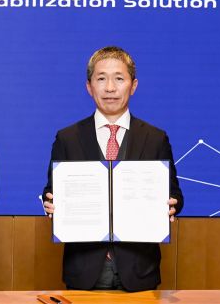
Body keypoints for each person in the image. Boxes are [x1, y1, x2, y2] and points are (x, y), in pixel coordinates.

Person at [42, 46, 183, 291]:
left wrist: (173, 204)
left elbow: (175, 194)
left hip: (140, 268)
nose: (110, 88)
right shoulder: (67, 138)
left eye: (119, 78)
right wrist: (50, 202)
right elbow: (51, 190)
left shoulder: (155, 138)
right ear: (89, 87)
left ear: (133, 85)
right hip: (84, 270)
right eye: (101, 79)